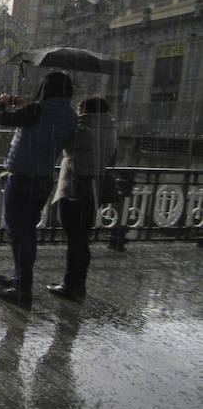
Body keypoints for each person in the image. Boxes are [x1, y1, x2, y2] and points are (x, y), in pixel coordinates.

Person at [0, 71, 77, 307]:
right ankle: (21, 279)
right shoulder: (70, 116)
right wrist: (26, 107)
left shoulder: (38, 110)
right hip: (42, 179)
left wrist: (0, 105)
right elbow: (45, 128)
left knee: (18, 233)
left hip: (22, 178)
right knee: (27, 232)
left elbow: (1, 119)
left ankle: (23, 289)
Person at [49, 95, 117, 301]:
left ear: (85, 111)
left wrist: (71, 121)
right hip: (94, 188)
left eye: (79, 110)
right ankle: (79, 285)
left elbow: (63, 144)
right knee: (82, 239)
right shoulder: (111, 130)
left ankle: (71, 286)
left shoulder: (83, 129)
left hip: (75, 188)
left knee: (74, 239)